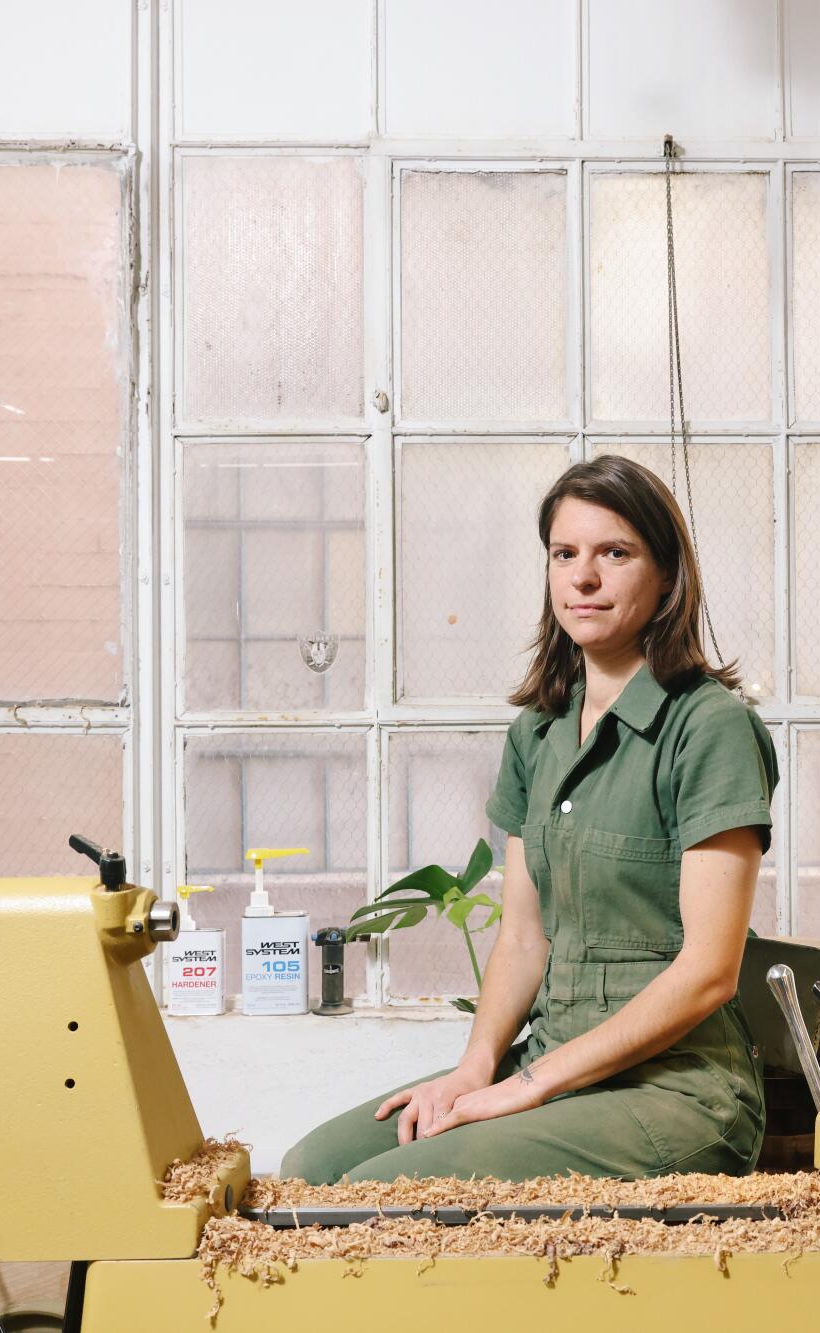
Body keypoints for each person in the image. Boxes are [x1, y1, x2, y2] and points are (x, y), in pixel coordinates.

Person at [280, 455, 778, 1183]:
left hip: (679, 1089)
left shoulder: (708, 727)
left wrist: (526, 1087)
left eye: (615, 552)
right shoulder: (538, 732)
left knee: (383, 1190)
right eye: (564, 554)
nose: (583, 577)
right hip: (551, 1063)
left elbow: (709, 973)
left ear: (668, 575)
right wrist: (472, 1070)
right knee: (312, 1167)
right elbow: (521, 937)